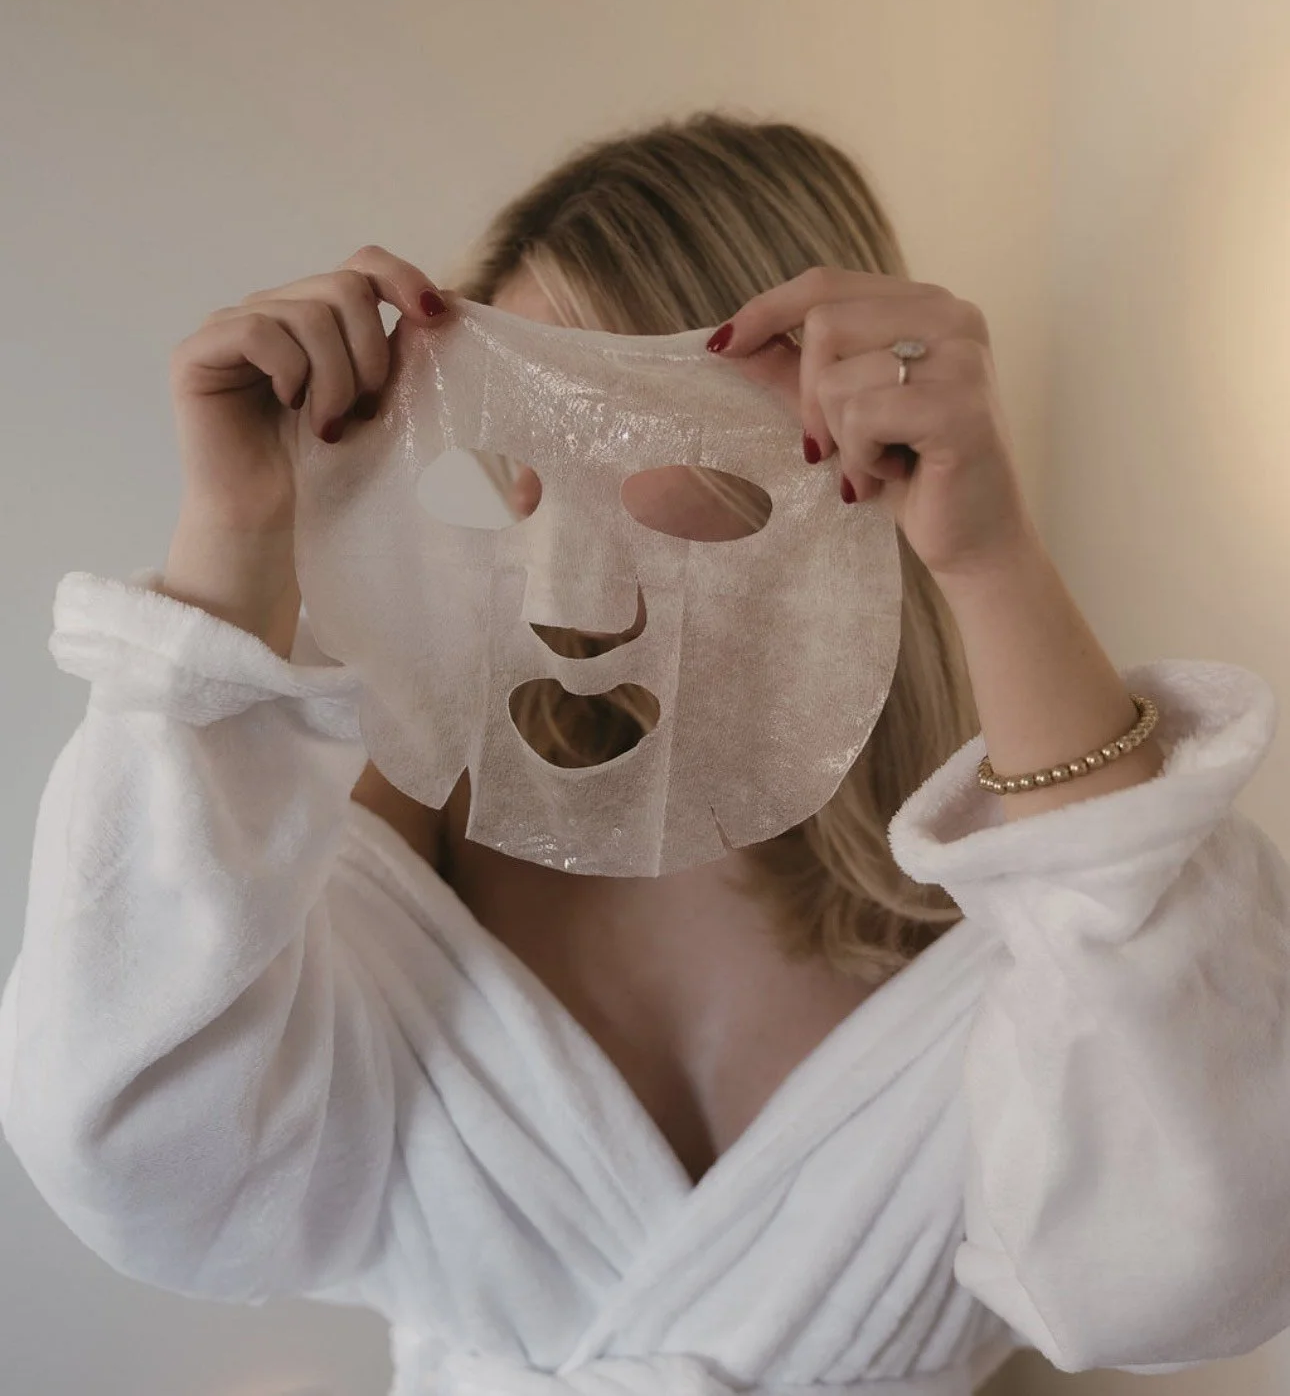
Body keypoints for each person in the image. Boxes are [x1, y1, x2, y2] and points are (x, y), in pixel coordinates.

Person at [1, 111, 1286, 1396]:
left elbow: (1200, 1255)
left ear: (832, 426)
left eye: (610, 422)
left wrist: (986, 549)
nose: (535, 507)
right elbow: (135, 1155)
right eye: (511, 440)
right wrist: (234, 530)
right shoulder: (424, 811)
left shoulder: (1011, 885)